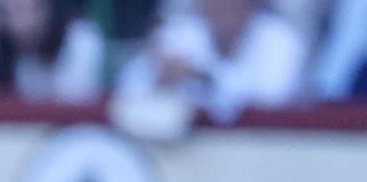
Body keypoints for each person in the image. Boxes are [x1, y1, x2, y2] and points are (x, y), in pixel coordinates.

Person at [113, 0, 309, 119]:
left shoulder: (282, 39)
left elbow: (271, 101)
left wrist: (201, 76)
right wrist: (158, 78)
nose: (221, 6)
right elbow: (127, 86)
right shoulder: (181, 32)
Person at [0, 0, 104, 98]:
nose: (13, 23)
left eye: (19, 9)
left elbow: (75, 102)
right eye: (5, 13)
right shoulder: (9, 55)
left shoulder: (82, 39)